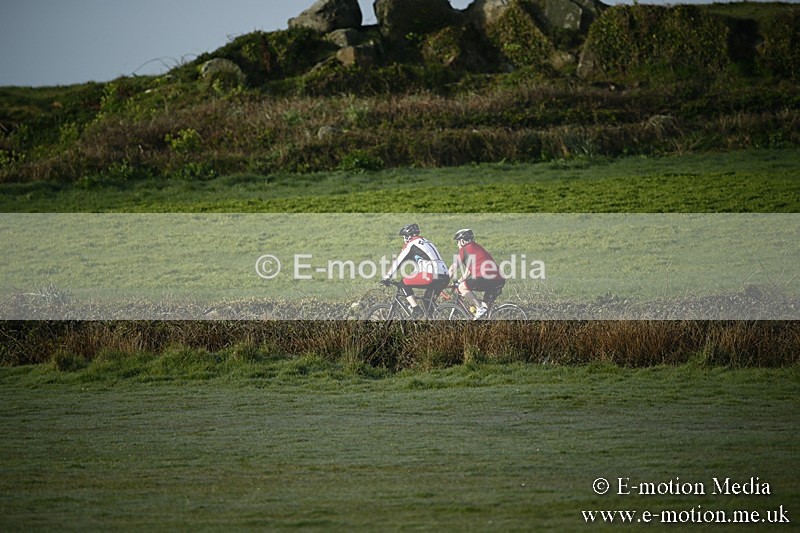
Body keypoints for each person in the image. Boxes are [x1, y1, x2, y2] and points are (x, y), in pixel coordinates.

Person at [381, 223, 450, 319]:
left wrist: (387, 276)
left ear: (407, 237)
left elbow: (398, 262)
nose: (404, 240)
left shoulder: (411, 245)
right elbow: (422, 264)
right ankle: (433, 325)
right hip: (445, 276)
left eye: (403, 237)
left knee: (403, 283)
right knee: (427, 302)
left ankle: (416, 309)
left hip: (431, 275)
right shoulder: (427, 242)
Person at [449, 228, 506, 319]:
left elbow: (452, 269)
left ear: (462, 241)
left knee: (462, 287)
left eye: (457, 241)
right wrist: (459, 281)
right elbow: (468, 272)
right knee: (484, 310)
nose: (457, 244)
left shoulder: (464, 249)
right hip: (499, 279)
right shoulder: (476, 247)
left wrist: (443, 283)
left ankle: (479, 308)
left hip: (487, 278)